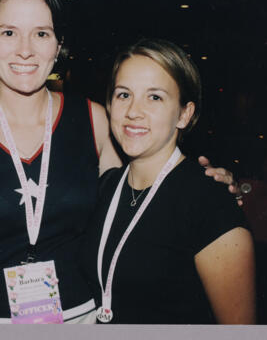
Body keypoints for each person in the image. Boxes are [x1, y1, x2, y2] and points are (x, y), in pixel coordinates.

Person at [0, 0, 238, 324]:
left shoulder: (94, 120)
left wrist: (208, 186)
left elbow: (140, 196)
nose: (25, 49)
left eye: (41, 34)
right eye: (8, 33)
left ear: (58, 46)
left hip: (77, 317)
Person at [81, 38, 255, 324]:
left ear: (184, 114)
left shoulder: (210, 203)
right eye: (124, 95)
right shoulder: (107, 187)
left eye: (155, 97)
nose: (133, 111)